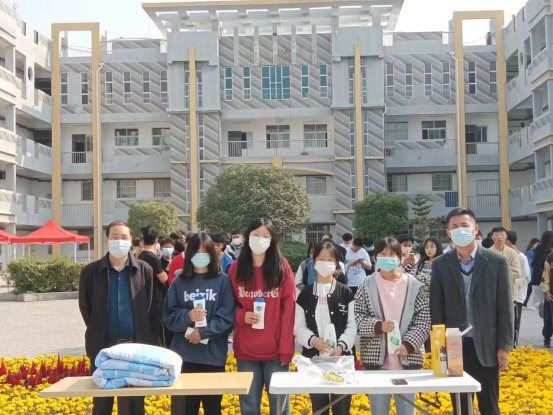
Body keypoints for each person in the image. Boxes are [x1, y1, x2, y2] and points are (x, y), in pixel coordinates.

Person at [430, 208, 513, 415]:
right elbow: (436, 308)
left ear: (475, 229)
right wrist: (439, 347)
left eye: (464, 226)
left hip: (486, 345)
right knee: (461, 408)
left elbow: (505, 306)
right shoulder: (441, 264)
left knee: (489, 407)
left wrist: (504, 346)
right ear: (448, 233)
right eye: (455, 227)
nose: (460, 230)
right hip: (454, 345)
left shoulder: (496, 262)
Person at [78, 221, 153, 415]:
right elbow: (87, 309)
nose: (120, 241)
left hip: (135, 348)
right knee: (102, 405)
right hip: (103, 348)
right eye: (114, 237)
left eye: (124, 237)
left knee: (136, 405)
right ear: (106, 240)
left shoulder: (144, 269)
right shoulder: (90, 272)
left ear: (131, 240)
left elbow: (148, 305)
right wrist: (98, 328)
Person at [355, 237, 430, 415]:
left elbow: (424, 320)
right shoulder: (367, 285)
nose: (387, 258)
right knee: (379, 410)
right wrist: (378, 326)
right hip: (376, 362)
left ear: (399, 258)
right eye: (383, 254)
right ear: (375, 258)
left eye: (392, 254)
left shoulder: (414, 285)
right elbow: (358, 316)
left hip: (407, 361)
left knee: (407, 410)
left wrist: (409, 344)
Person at [228, 218, 295, 415]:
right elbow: (227, 305)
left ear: (273, 240)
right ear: (247, 237)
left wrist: (286, 349)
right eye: (256, 235)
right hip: (246, 352)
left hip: (276, 353)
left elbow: (290, 310)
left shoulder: (282, 267)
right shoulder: (236, 268)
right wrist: (241, 316)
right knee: (249, 407)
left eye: (266, 236)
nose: (260, 239)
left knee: (279, 408)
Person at [163, 232, 235, 415]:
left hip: (213, 357)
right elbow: (169, 316)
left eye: (205, 252)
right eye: (196, 252)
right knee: (185, 409)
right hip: (184, 357)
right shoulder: (179, 282)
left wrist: (203, 333)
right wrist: (188, 316)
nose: (201, 256)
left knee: (213, 409)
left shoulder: (223, 281)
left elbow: (226, 316)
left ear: (212, 254)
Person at [294, 242, 357, 415]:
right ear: (314, 262)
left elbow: (352, 325)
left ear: (336, 263)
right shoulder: (305, 295)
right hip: (314, 363)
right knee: (319, 408)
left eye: (330, 260)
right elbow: (298, 327)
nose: (325, 263)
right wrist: (313, 341)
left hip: (341, 362)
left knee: (341, 409)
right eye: (321, 259)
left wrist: (341, 346)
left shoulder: (346, 293)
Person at [138, 226, 168, 346]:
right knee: (155, 328)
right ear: (156, 241)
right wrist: (166, 271)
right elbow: (162, 278)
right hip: (156, 297)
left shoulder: (140, 256)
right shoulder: (153, 258)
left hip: (144, 296)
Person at [505, 230, 530, 348]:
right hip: (505, 296)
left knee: (515, 323)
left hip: (517, 296)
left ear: (507, 241)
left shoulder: (521, 257)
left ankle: (513, 346)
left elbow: (526, 277)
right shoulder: (506, 255)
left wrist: (511, 283)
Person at [527, 232, 552, 312]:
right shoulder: (550, 251)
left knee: (535, 301)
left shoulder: (537, 248)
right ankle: (545, 309)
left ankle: (541, 306)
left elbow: (534, 263)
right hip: (548, 279)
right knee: (548, 299)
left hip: (537, 278)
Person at [541, 247, 553, 348]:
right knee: (549, 319)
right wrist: (546, 292)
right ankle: (547, 339)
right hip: (551, 295)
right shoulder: (550, 258)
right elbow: (545, 277)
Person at [523, 237, 541, 307]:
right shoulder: (530, 252)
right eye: (536, 244)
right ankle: (524, 301)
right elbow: (528, 261)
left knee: (529, 288)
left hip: (532, 272)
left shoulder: (534, 252)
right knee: (529, 288)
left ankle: (525, 301)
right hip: (530, 272)